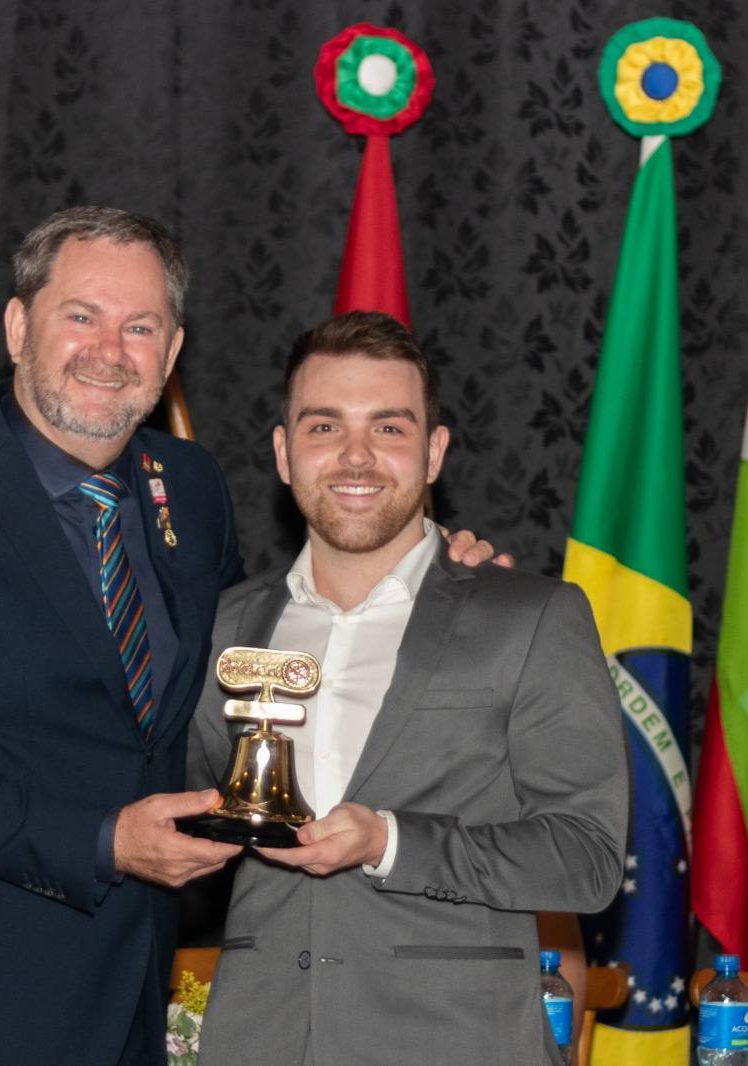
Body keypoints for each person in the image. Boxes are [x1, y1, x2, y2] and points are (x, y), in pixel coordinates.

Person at [0, 208, 502, 1066]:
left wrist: (420, 575)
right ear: (17, 328)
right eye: (81, 316)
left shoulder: (189, 489)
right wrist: (106, 843)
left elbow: (260, 673)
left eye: (140, 327)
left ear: (171, 352)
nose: (109, 350)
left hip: (126, 1005)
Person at [188, 311, 631, 1066]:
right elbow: (183, 811)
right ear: (284, 452)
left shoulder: (531, 618)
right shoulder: (221, 627)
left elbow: (586, 858)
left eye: (388, 428)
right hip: (258, 1039)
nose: (356, 455)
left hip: (456, 1042)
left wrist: (390, 842)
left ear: (434, 452)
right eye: (324, 426)